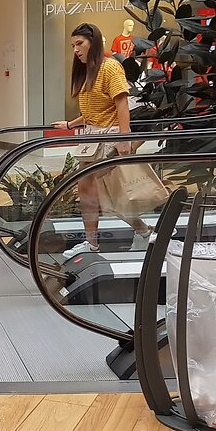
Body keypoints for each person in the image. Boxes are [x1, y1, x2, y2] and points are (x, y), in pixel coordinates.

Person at [51, 22, 155, 258]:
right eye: (73, 45)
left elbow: (121, 102)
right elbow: (92, 112)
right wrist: (70, 125)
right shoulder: (88, 71)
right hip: (91, 138)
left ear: (93, 42)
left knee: (108, 193)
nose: (76, 50)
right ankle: (95, 242)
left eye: (80, 44)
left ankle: (143, 231)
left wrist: (124, 138)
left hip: (109, 136)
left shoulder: (110, 67)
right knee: (87, 190)